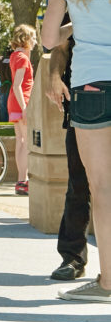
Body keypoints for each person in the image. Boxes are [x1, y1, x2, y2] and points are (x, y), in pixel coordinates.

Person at [42, 0, 111, 302]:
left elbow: (49, 40)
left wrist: (77, 26)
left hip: (91, 87)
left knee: (101, 188)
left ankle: (107, 283)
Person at [45, 31, 91, 282]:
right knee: (78, 184)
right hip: (84, 101)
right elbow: (60, 44)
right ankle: (72, 257)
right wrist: (54, 76)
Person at [7, 24, 37, 196]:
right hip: (22, 100)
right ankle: (23, 181)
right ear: (25, 39)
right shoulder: (23, 58)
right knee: (26, 141)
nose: (34, 42)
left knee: (21, 141)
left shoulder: (14, 56)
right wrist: (25, 107)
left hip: (14, 102)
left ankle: (21, 180)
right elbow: (18, 85)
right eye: (32, 38)